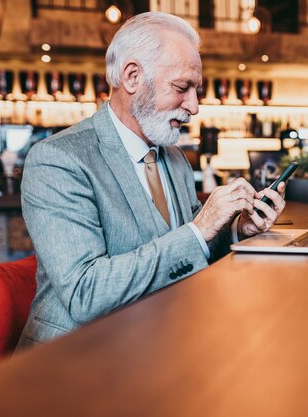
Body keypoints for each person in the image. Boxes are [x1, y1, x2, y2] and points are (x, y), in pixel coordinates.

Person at [17, 12, 286, 348]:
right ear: (132, 77)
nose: (194, 106)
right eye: (182, 87)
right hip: (74, 359)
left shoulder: (173, 158)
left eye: (196, 90)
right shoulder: (58, 160)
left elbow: (188, 252)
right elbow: (86, 293)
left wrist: (237, 229)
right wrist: (199, 228)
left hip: (162, 341)